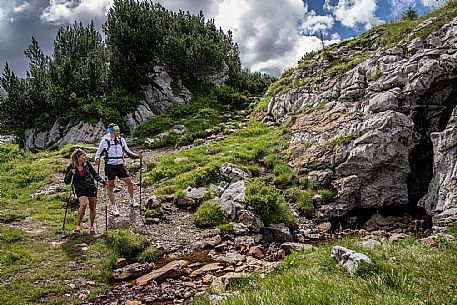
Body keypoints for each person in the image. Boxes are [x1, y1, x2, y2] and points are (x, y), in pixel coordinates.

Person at [95, 123, 142, 216]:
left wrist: (137, 156)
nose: (118, 132)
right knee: (111, 186)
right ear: (111, 131)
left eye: (119, 130)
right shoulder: (104, 141)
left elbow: (128, 152)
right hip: (110, 166)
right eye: (116, 131)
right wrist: (97, 159)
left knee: (130, 183)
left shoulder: (121, 140)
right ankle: (114, 207)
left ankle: (132, 200)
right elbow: (98, 153)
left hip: (120, 165)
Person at [64, 148, 106, 235]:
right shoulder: (71, 166)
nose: (85, 157)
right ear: (78, 157)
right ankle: (77, 227)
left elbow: (94, 174)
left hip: (90, 187)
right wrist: (70, 173)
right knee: (83, 204)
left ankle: (91, 227)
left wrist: (101, 181)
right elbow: (66, 181)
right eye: (83, 155)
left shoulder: (87, 164)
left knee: (92, 207)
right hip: (80, 188)